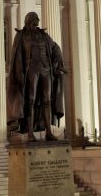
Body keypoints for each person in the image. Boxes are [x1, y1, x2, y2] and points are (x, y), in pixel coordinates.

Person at [7, 12, 65, 142]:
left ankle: (48, 132)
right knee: (30, 101)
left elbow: (55, 47)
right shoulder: (21, 36)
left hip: (45, 70)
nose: (36, 24)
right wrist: (19, 73)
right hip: (31, 71)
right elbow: (16, 56)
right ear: (28, 21)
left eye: (36, 21)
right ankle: (30, 133)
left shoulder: (44, 36)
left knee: (47, 100)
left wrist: (58, 64)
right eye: (33, 21)